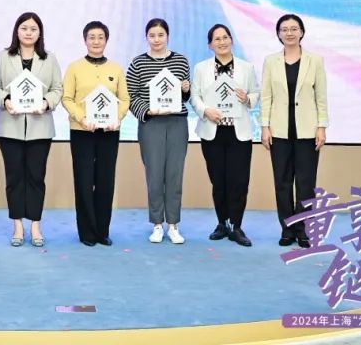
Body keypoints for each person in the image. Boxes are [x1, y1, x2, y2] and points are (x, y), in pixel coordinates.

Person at [0, 12, 63, 248]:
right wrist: (5, 101)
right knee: (14, 177)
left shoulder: (49, 59)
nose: (28, 32)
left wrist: (46, 103)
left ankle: (35, 225)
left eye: (33, 29)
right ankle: (17, 226)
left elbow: (57, 89)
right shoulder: (3, 57)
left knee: (36, 177)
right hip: (9, 127)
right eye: (24, 28)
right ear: (17, 31)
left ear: (39, 33)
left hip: (40, 128)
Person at [260, 13, 328, 248]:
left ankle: (303, 229)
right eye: (284, 29)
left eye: (293, 28)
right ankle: (287, 229)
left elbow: (321, 97)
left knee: (306, 184)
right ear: (279, 34)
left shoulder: (315, 60)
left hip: (307, 132)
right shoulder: (271, 61)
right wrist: (265, 127)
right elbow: (266, 97)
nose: (289, 33)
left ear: (301, 32)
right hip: (279, 131)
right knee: (282, 182)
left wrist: (321, 127)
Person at [61, 21, 130, 246]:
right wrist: (82, 118)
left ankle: (102, 232)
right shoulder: (74, 67)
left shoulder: (116, 69)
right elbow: (66, 98)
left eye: (101, 37)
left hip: (109, 132)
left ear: (106, 40)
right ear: (85, 40)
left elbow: (125, 99)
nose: (96, 41)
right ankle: (87, 233)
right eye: (92, 37)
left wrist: (117, 118)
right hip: (82, 131)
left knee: (105, 181)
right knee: (83, 181)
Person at [192, 24, 259, 247]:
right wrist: (205, 111)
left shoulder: (246, 67)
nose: (222, 42)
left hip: (239, 133)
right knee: (218, 180)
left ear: (232, 40)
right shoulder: (201, 68)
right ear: (210, 45)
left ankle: (236, 226)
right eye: (217, 39)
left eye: (225, 37)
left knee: (239, 181)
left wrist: (247, 99)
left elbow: (255, 92)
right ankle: (222, 223)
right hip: (212, 132)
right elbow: (195, 96)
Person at [126, 18, 192, 245]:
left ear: (167, 36)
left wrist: (186, 89)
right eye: (152, 35)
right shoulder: (138, 63)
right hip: (151, 124)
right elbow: (130, 95)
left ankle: (173, 224)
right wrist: (147, 110)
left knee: (174, 175)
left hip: (177, 123)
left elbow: (185, 96)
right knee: (154, 175)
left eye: (161, 35)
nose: (156, 39)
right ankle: (156, 224)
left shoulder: (181, 61)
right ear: (146, 37)